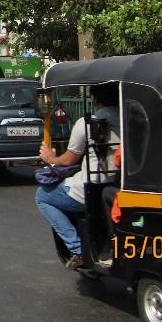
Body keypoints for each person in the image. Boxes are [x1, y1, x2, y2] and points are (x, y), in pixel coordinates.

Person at [35, 84, 120, 270]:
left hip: (90, 189)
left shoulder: (86, 123)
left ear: (96, 100)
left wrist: (51, 157)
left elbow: (68, 159)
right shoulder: (131, 119)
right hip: (118, 185)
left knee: (42, 197)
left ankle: (77, 248)